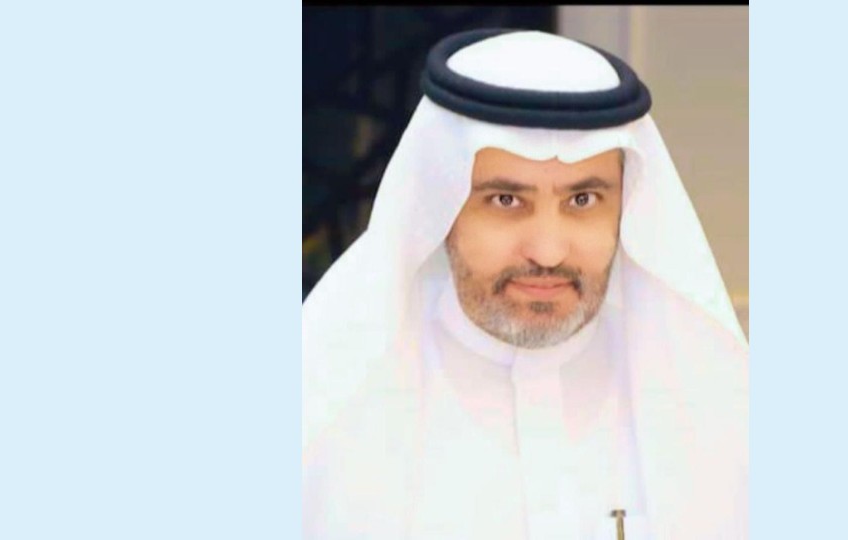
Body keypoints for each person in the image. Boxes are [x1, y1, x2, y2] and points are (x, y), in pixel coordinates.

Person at [302, 28, 748, 539]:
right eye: (506, 201)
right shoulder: (326, 406)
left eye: (582, 200)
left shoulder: (713, 404)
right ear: (442, 207)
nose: (548, 250)